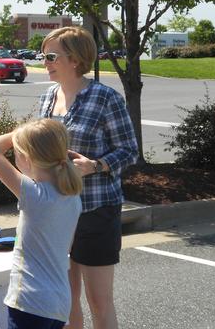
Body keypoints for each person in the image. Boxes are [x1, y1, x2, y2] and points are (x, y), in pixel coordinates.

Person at [38, 26, 138, 329]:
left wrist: (94, 165)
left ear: (76, 59)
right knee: (65, 299)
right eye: (43, 56)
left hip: (96, 211)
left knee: (99, 302)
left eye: (52, 56)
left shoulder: (105, 98)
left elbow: (128, 150)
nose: (45, 62)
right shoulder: (48, 97)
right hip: (57, 211)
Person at [0, 119, 83, 329]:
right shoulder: (72, 196)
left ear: (26, 157)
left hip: (29, 301)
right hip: (59, 302)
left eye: (17, 152)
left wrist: (20, 132)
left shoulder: (35, 195)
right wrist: (34, 136)